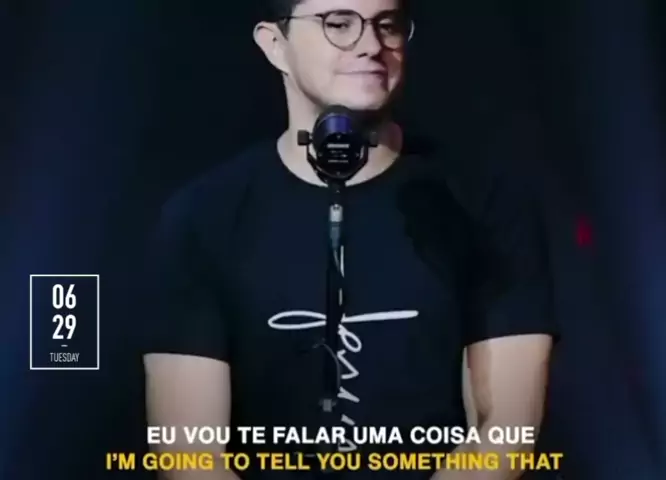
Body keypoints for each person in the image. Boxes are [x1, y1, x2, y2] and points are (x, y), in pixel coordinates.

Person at [142, 0, 557, 478]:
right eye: (339, 23)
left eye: (388, 25)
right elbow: (188, 453)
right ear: (274, 44)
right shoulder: (202, 216)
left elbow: (504, 433)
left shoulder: (486, 206)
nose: (371, 45)